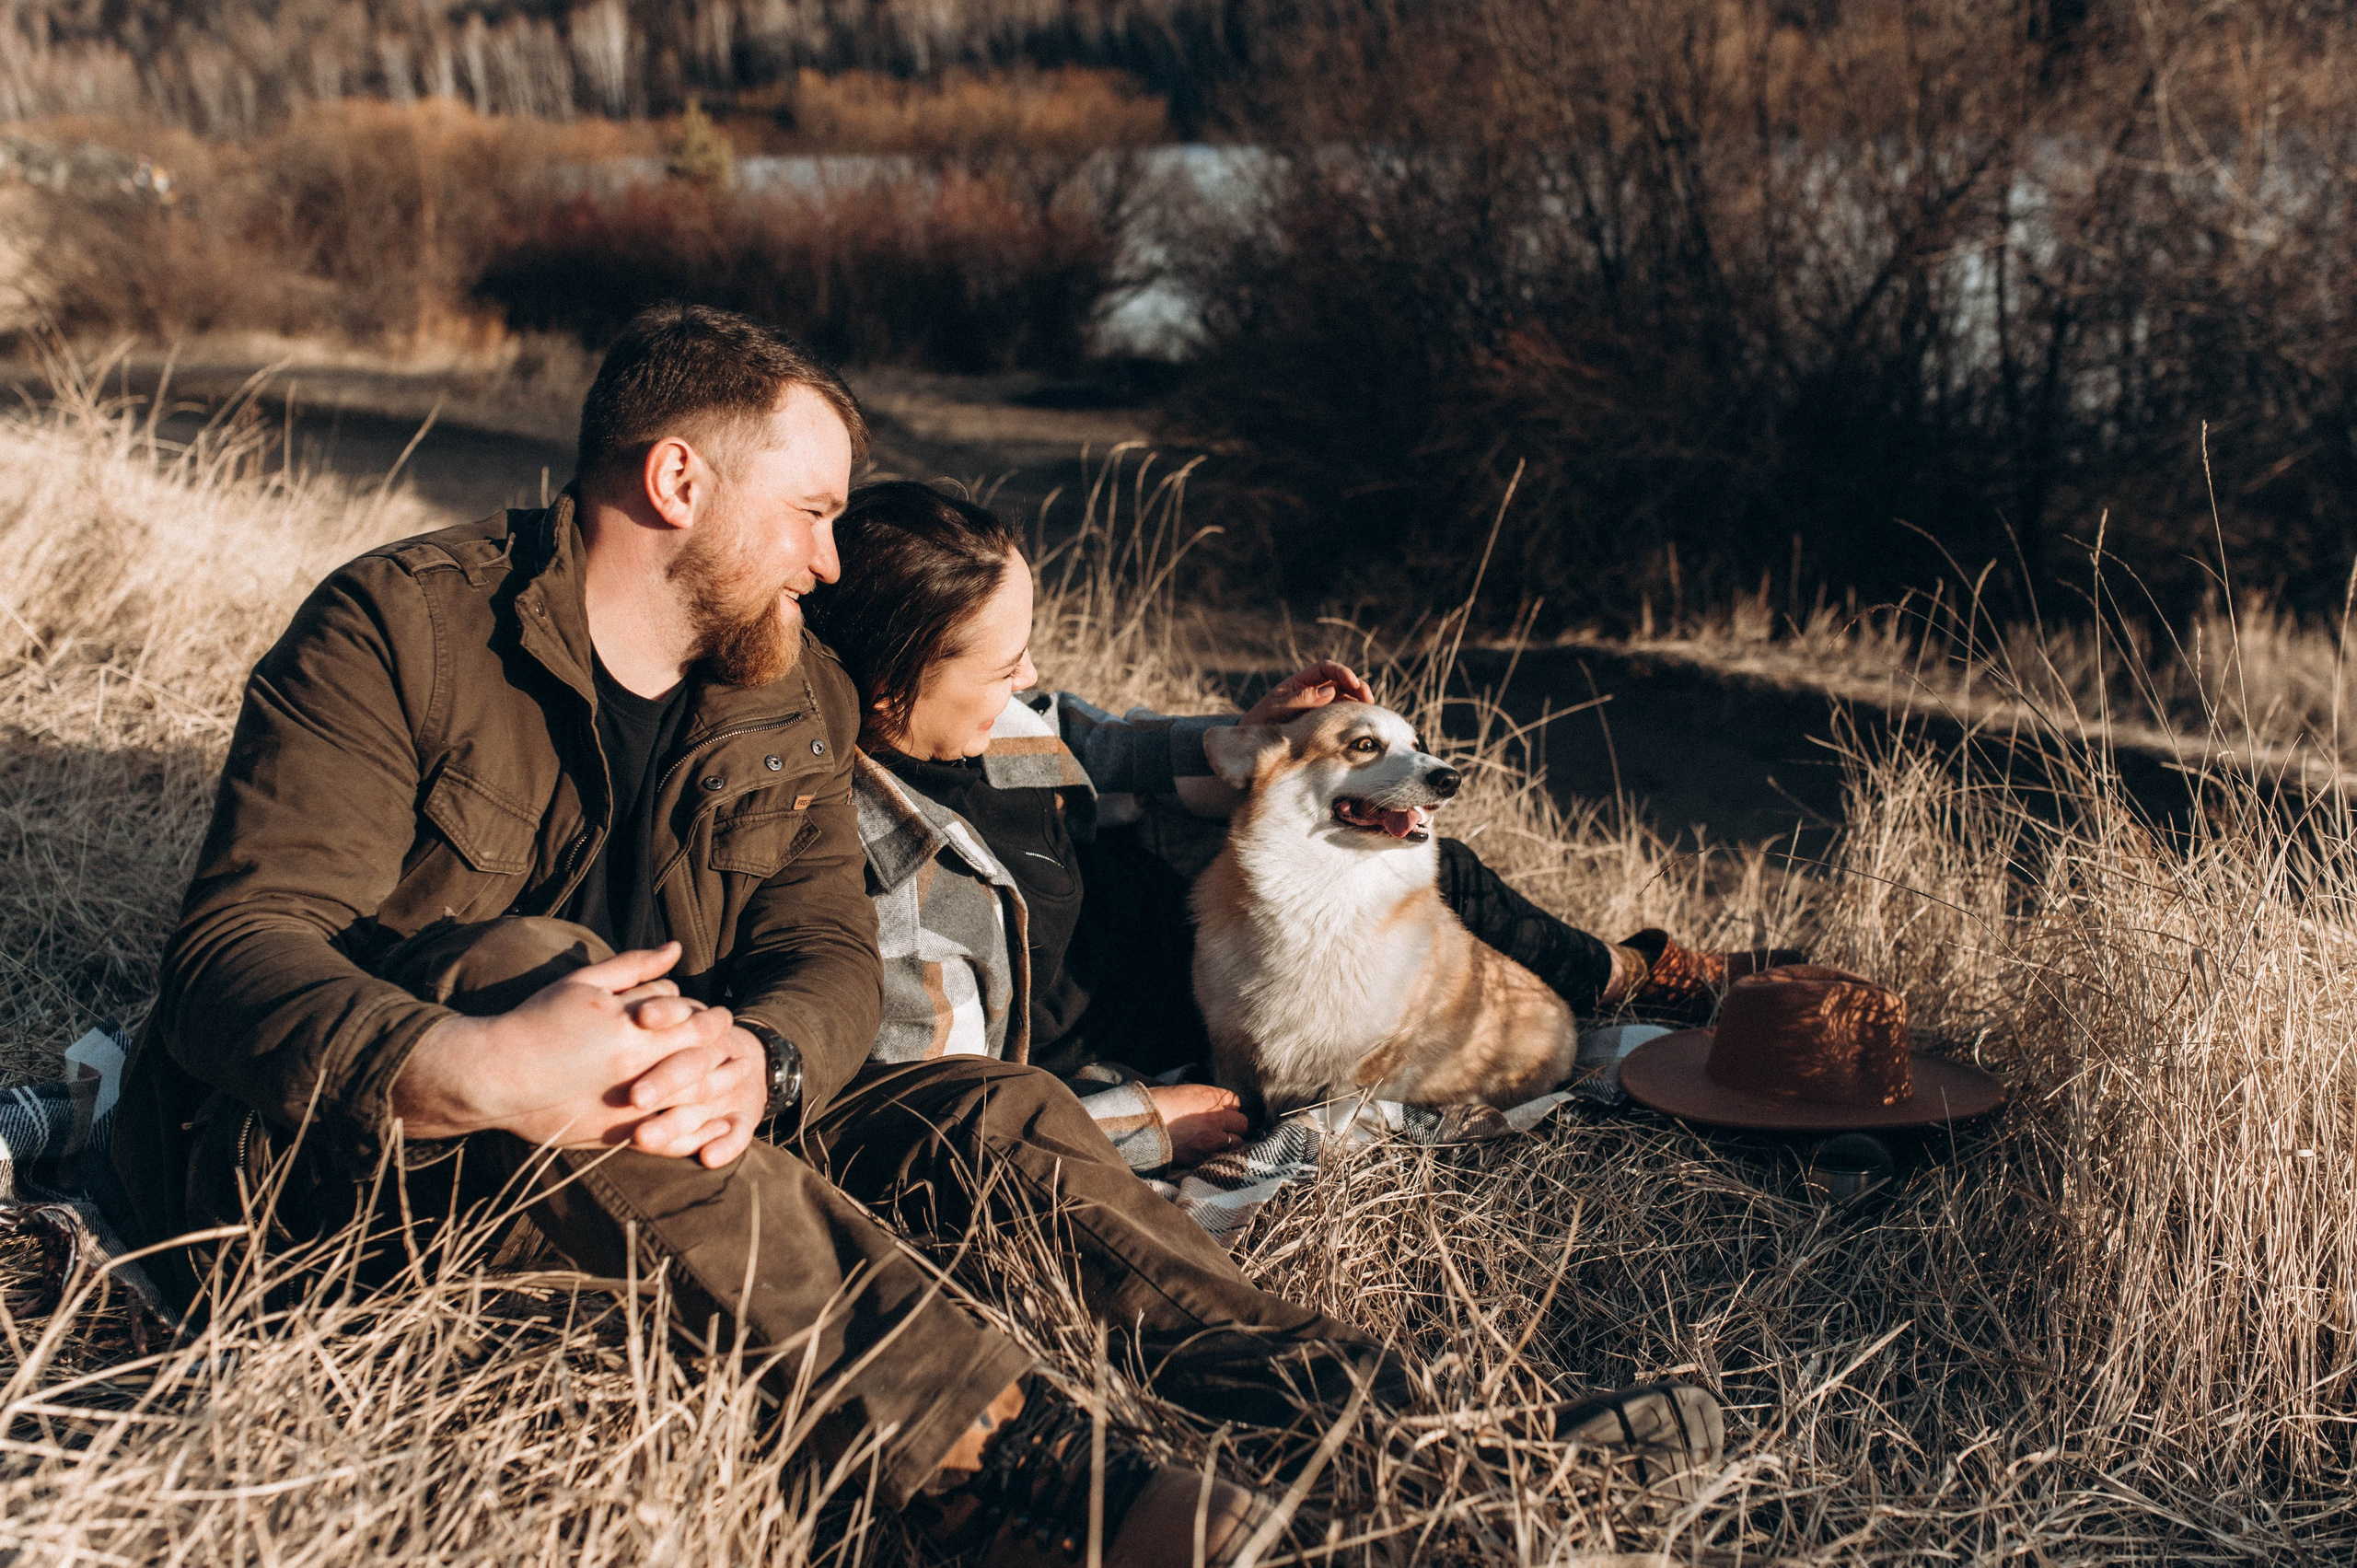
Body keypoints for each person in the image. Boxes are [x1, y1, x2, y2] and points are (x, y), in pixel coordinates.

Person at [102, 304, 1722, 1567]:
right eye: (808, 511)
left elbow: (821, 955)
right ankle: (1009, 1478)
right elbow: (232, 952)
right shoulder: (395, 631)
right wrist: (471, 1053)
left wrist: (763, 1054)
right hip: (371, 1168)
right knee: (524, 964)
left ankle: (1395, 1421)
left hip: (700, 1136)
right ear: (679, 480)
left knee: (992, 1106)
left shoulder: (784, 688)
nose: (828, 555)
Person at [800, 480, 1799, 1171]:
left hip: (1158, 902)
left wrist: (1262, 736)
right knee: (1392, 866)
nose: (1027, 678)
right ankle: (1626, 985)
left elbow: (1090, 744)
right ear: (893, 685)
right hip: (1146, 1021)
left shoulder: (983, 729)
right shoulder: (896, 879)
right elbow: (944, 1122)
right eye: (1003, 661)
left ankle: (1625, 972)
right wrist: (1144, 1124)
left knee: (1396, 842)